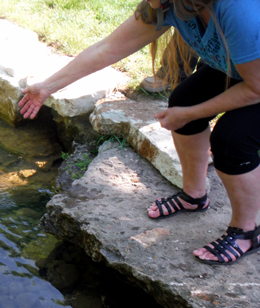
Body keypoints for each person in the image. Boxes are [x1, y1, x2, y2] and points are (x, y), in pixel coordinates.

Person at [18, 0, 260, 266]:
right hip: (243, 70)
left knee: (232, 139)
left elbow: (256, 88)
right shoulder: (167, 4)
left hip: (255, 80)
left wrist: (191, 114)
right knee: (183, 101)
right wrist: (48, 86)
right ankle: (194, 196)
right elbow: (107, 48)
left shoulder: (239, 10)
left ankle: (246, 232)